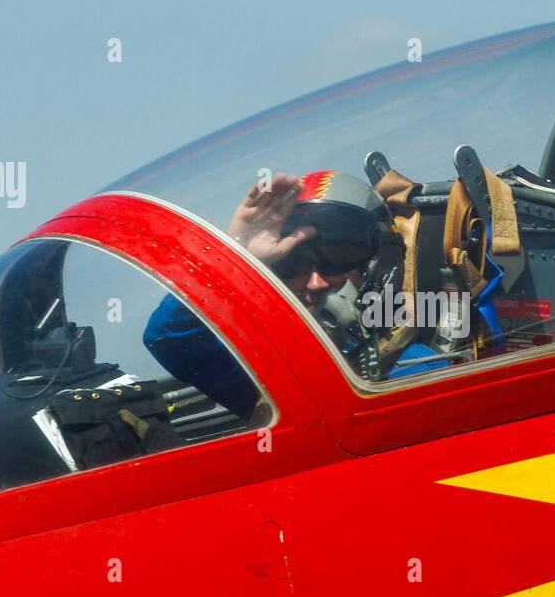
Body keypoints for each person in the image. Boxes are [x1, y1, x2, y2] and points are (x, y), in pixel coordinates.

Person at [143, 170, 449, 414]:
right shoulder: (281, 376)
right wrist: (232, 254)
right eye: (292, 264)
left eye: (335, 258)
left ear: (375, 267)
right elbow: (168, 338)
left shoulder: (417, 368)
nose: (315, 283)